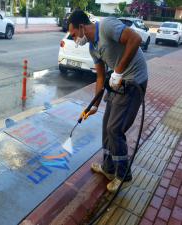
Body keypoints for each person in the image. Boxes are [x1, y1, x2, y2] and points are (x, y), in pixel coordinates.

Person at [67, 10, 148, 192]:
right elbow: (101, 77)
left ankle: (123, 175)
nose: (74, 39)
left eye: (73, 34)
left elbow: (135, 39)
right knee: (106, 126)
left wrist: (118, 71)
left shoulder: (106, 26)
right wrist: (94, 105)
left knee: (115, 129)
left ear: (81, 27)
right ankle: (108, 168)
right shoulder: (92, 47)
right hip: (118, 82)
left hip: (134, 80)